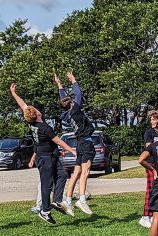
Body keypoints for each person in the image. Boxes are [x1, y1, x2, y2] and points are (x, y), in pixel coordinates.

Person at [10, 83, 75, 225]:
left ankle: (57, 201)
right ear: (37, 114)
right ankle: (45, 211)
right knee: (46, 185)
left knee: (62, 175)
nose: (37, 109)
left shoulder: (33, 123)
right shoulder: (44, 128)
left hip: (49, 156)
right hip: (45, 159)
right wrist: (72, 150)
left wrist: (14, 93)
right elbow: (58, 141)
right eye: (36, 110)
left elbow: (23, 106)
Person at [54, 72, 95, 216]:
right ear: (71, 104)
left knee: (76, 173)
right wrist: (73, 80)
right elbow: (78, 94)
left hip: (79, 143)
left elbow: (63, 99)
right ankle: (82, 199)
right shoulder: (75, 110)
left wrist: (59, 85)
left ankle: (67, 200)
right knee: (85, 172)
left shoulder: (66, 114)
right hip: (86, 143)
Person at [139, 110, 158, 228]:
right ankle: (145, 216)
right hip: (151, 164)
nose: (152, 121)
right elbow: (149, 147)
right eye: (151, 119)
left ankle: (155, 215)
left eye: (154, 119)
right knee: (151, 190)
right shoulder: (149, 133)